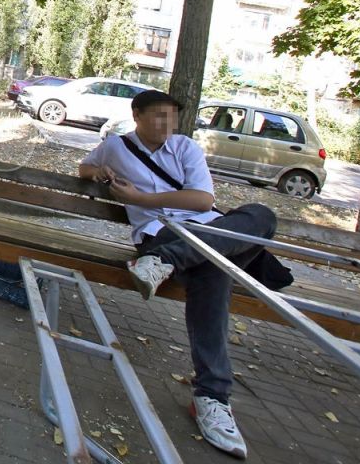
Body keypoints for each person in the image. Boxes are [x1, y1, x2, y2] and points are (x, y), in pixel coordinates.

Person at [79, 90, 284, 460]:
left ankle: (165, 262)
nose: (168, 124)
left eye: (172, 117)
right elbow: (84, 168)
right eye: (160, 115)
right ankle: (212, 397)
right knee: (214, 268)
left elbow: (203, 201)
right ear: (137, 115)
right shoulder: (115, 147)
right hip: (160, 234)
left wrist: (140, 199)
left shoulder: (186, 148)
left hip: (204, 232)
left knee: (262, 216)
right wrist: (100, 172)